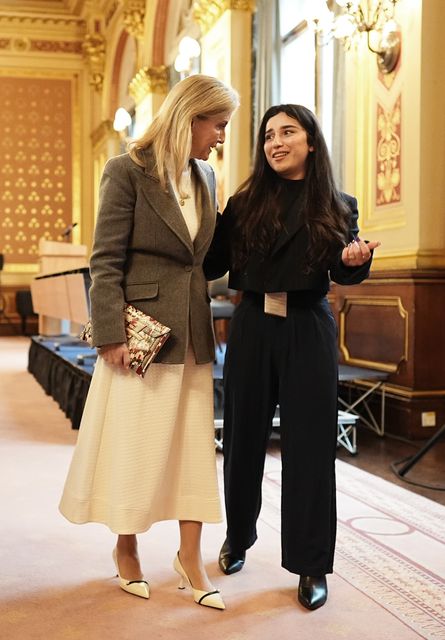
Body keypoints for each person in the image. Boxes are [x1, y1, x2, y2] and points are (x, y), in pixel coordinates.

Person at [59, 74, 239, 610]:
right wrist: (110, 334)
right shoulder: (127, 171)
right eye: (219, 125)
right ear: (191, 117)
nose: (222, 137)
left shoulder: (206, 175)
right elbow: (105, 260)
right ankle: (127, 549)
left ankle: (190, 557)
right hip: (141, 334)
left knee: (192, 448)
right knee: (136, 447)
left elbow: (208, 258)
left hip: (194, 334)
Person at [204, 104, 380, 610]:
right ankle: (238, 537)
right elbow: (214, 261)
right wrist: (200, 215)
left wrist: (354, 262)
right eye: (267, 136)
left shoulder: (337, 204)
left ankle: (310, 564)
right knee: (242, 439)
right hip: (254, 323)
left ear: (309, 142)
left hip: (308, 324)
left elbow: (345, 268)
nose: (275, 142)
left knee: (310, 448)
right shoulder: (241, 202)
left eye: (287, 132)